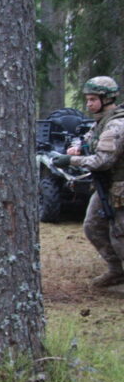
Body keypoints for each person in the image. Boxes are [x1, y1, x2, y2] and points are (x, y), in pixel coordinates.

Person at [53, 76, 124, 287]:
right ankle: (116, 270)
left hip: (120, 187)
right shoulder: (101, 122)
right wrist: (80, 149)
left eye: (93, 99)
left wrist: (71, 159)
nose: (89, 104)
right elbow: (91, 145)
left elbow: (103, 160)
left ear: (106, 98)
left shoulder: (116, 125)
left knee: (120, 233)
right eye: (88, 99)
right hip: (107, 186)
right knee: (93, 226)